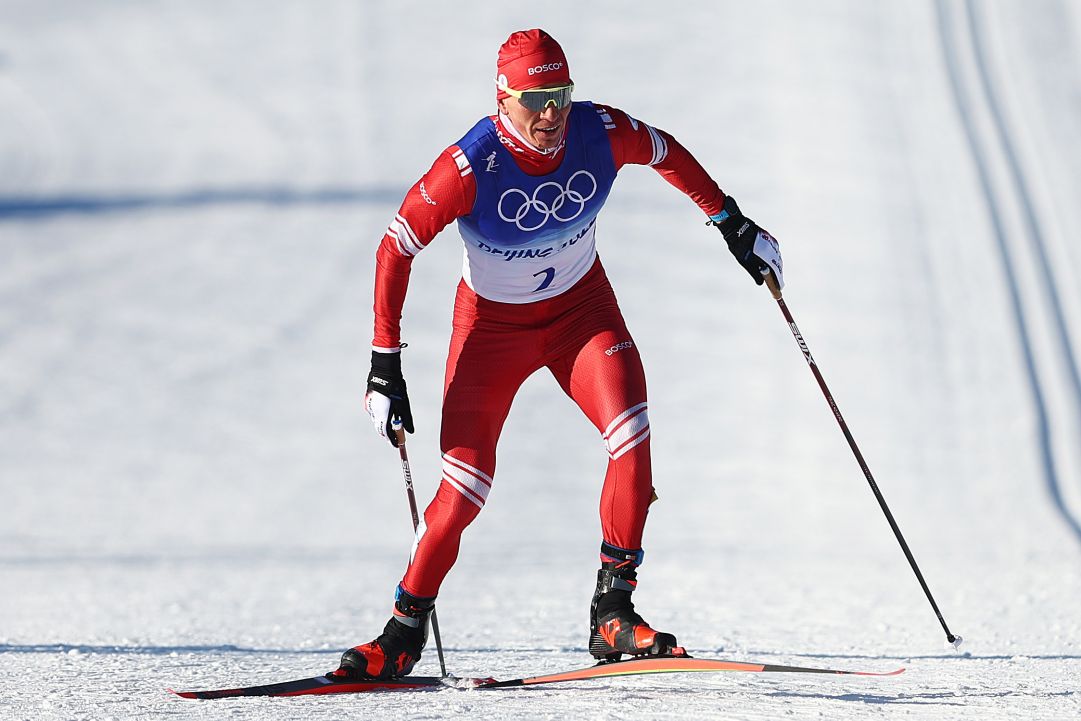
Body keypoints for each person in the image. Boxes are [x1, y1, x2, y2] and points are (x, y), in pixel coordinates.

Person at [333, 29, 783, 680]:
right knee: (462, 491)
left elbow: (665, 151)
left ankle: (613, 613)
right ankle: (401, 633)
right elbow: (395, 246)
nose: (551, 113)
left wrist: (730, 221)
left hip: (581, 313)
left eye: (561, 94)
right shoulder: (467, 166)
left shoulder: (596, 131)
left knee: (631, 435)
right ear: (503, 99)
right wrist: (384, 363)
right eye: (536, 97)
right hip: (491, 330)